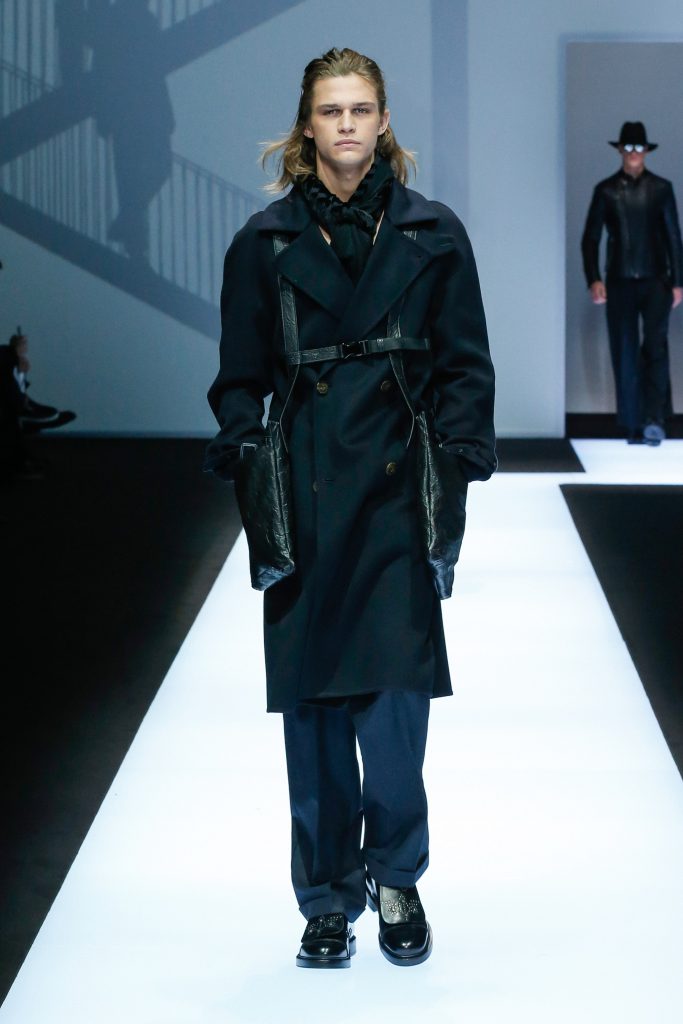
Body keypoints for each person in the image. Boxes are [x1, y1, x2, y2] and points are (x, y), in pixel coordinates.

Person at [204, 47, 496, 969]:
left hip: (398, 494)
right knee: (315, 714)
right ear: (307, 124)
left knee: (396, 710)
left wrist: (454, 465)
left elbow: (465, 364)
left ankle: (396, 877)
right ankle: (327, 897)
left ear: (383, 121)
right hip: (305, 493)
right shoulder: (263, 244)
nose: (345, 125)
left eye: (360, 109)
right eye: (330, 111)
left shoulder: (433, 234)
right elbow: (238, 378)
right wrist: (249, 459)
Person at [581, 121, 683, 445]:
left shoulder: (662, 189)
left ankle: (655, 418)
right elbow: (590, 238)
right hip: (620, 280)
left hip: (656, 280)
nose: (634, 153)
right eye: (628, 147)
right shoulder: (606, 190)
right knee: (624, 350)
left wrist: (678, 282)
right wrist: (594, 278)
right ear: (620, 150)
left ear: (647, 151)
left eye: (639, 147)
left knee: (655, 347)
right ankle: (632, 423)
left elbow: (674, 237)